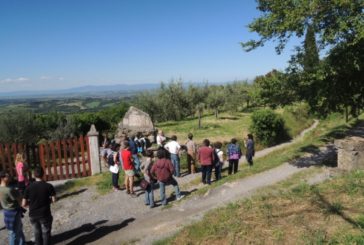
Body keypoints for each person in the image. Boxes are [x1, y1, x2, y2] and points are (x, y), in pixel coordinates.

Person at [22, 167, 56, 245]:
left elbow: (23, 204)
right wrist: (47, 202)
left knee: (37, 233)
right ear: (43, 174)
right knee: (46, 233)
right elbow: (54, 200)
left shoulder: (28, 187)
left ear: (34, 175)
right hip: (45, 214)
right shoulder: (49, 186)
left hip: (33, 215)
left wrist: (30, 205)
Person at [0, 171, 25, 245]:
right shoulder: (9, 190)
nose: (10, 177)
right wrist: (18, 192)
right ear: (3, 178)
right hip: (14, 212)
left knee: (17, 229)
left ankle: (22, 243)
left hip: (6, 211)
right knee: (13, 232)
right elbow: (19, 199)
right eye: (8, 176)